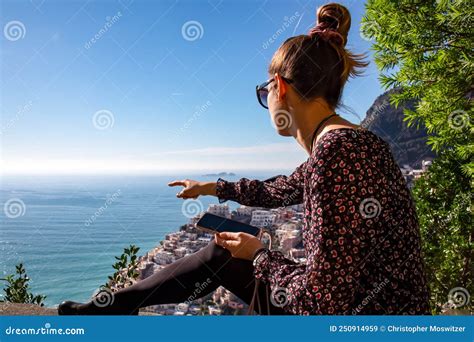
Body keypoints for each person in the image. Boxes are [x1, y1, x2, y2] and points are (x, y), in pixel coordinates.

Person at [58, 2, 430, 315]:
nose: (266, 100)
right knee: (225, 250)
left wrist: (261, 256)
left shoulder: (338, 153)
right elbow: (280, 189)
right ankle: (115, 308)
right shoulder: (349, 143)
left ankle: (112, 309)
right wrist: (212, 186)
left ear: (280, 87)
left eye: (264, 90)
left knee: (227, 254)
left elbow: (322, 302)